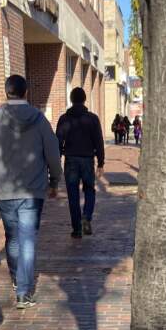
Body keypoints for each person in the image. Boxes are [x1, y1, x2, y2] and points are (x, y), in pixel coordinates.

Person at [0, 74, 61, 310]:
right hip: (32, 189)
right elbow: (52, 151)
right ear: (26, 92)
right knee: (27, 238)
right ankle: (24, 291)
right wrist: (55, 180)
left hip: (4, 190)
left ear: (6, 92)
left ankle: (16, 280)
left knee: (12, 237)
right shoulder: (39, 119)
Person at [56, 87, 105, 239]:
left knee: (72, 194)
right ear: (84, 100)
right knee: (89, 189)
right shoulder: (93, 118)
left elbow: (57, 141)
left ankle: (77, 229)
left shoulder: (64, 118)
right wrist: (101, 162)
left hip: (70, 160)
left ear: (71, 100)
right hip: (87, 160)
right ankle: (87, 216)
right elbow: (99, 141)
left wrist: (56, 160)